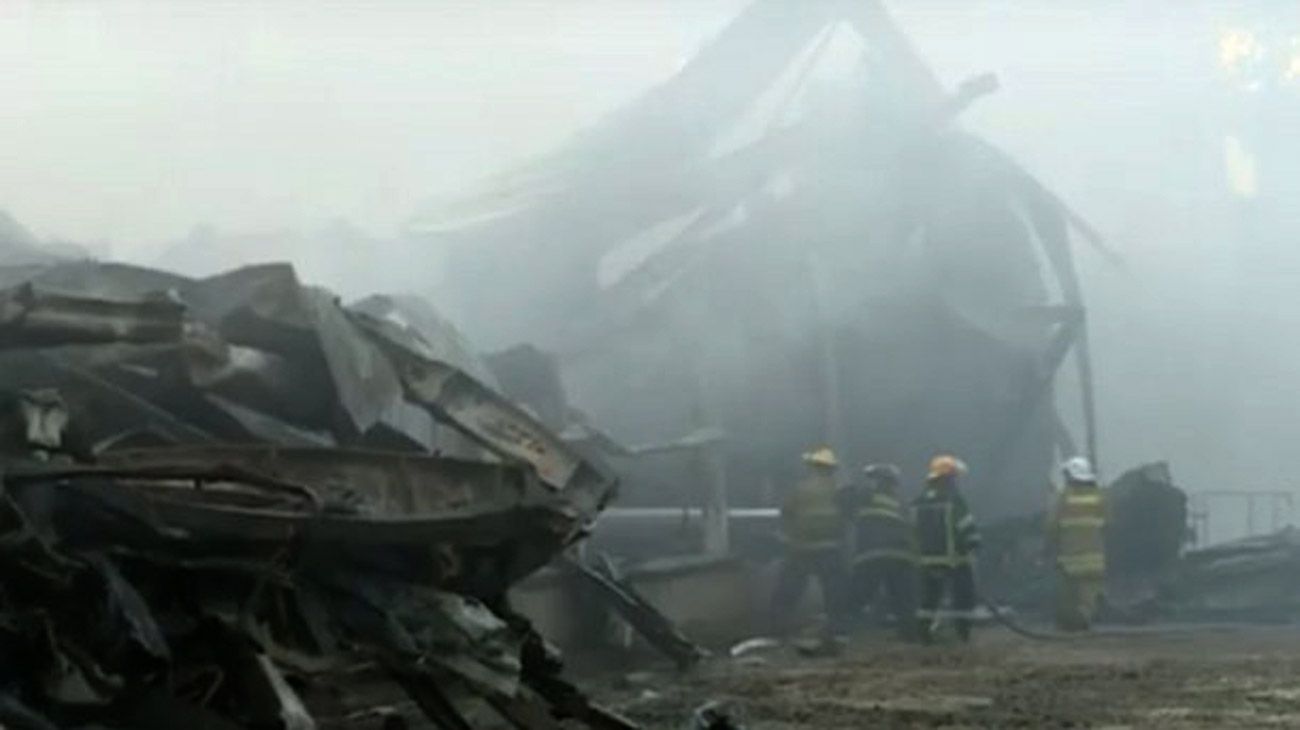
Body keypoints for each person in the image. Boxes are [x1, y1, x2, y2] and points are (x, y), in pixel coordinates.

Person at [770, 447, 848, 638]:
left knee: (788, 589)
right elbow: (847, 518)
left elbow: (786, 513)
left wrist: (787, 537)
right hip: (830, 547)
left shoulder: (800, 489)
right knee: (835, 591)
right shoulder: (839, 490)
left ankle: (778, 627)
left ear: (812, 467)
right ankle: (837, 628)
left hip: (801, 548)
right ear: (831, 469)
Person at [838, 463, 918, 639]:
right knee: (903, 599)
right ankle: (910, 635)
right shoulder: (901, 502)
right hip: (901, 556)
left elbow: (844, 502)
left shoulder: (867, 495)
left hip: (872, 553)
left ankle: (840, 632)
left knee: (858, 595)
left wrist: (846, 485)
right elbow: (912, 528)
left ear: (879, 481)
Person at [913, 454, 981, 643]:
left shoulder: (918, 502)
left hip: (927, 560)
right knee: (963, 597)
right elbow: (966, 527)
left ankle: (924, 634)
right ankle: (963, 633)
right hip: (955, 559)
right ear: (948, 479)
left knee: (928, 600)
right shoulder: (954, 500)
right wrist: (974, 542)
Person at [1046, 456, 1107, 631]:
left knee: (1068, 594)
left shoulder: (1064, 498)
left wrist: (1048, 547)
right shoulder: (1099, 497)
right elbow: (1109, 523)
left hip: (1070, 558)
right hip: (1095, 558)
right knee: (1088, 595)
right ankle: (1083, 617)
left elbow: (1052, 526)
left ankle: (1070, 622)